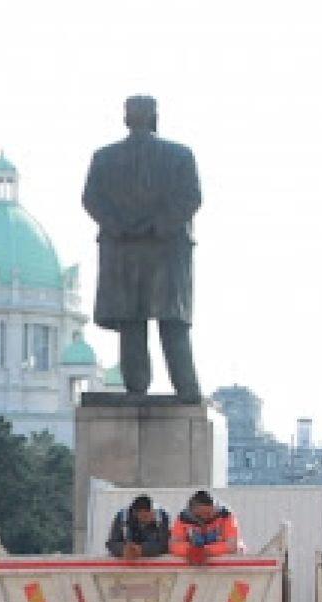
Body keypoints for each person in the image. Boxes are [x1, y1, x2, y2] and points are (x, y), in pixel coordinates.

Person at [82, 95, 202, 403]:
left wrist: (120, 225)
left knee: (131, 323)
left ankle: (137, 389)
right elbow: (191, 198)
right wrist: (156, 225)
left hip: (124, 249)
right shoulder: (179, 155)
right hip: (165, 251)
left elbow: (91, 199)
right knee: (171, 324)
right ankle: (186, 389)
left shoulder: (104, 158)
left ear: (126, 119)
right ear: (154, 118)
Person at [169, 490, 241, 564]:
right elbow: (173, 545)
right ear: (192, 510)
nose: (205, 517)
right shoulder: (183, 518)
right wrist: (190, 551)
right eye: (200, 514)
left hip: (227, 561)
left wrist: (205, 551)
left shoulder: (226, 515)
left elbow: (232, 545)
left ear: (213, 507)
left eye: (208, 513)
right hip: (194, 561)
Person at [106, 494, 169, 559]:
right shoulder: (123, 517)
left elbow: (164, 545)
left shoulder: (160, 517)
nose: (145, 518)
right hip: (127, 559)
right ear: (135, 513)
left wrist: (141, 549)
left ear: (152, 511)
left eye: (147, 513)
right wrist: (123, 549)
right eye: (140, 514)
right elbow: (111, 543)